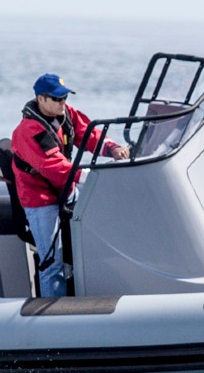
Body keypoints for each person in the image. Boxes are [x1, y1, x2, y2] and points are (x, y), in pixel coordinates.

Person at [9, 73, 130, 297]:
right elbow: (55, 167)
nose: (62, 102)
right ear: (41, 99)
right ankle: (54, 311)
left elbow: (88, 134)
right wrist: (90, 178)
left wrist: (112, 148)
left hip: (65, 191)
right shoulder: (29, 131)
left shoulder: (65, 114)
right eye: (56, 98)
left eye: (64, 97)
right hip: (40, 200)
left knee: (84, 248)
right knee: (51, 263)